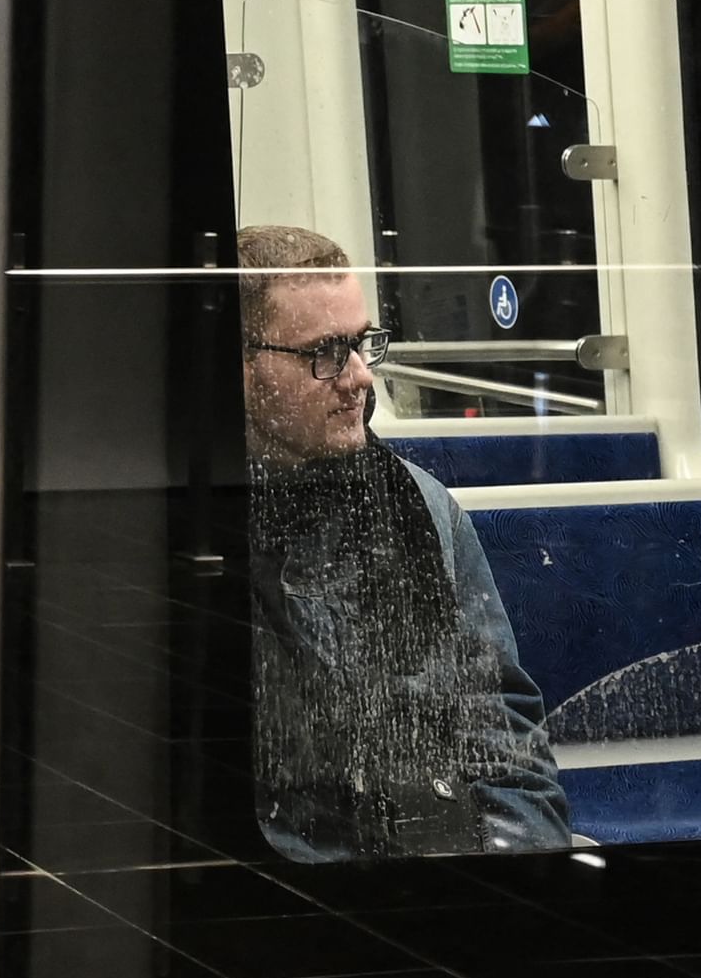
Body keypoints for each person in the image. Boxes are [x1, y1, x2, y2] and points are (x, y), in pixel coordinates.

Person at [235, 225, 573, 859]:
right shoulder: (194, 536)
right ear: (243, 365)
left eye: (362, 345)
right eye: (325, 353)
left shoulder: (420, 508)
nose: (360, 377)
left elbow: (502, 733)